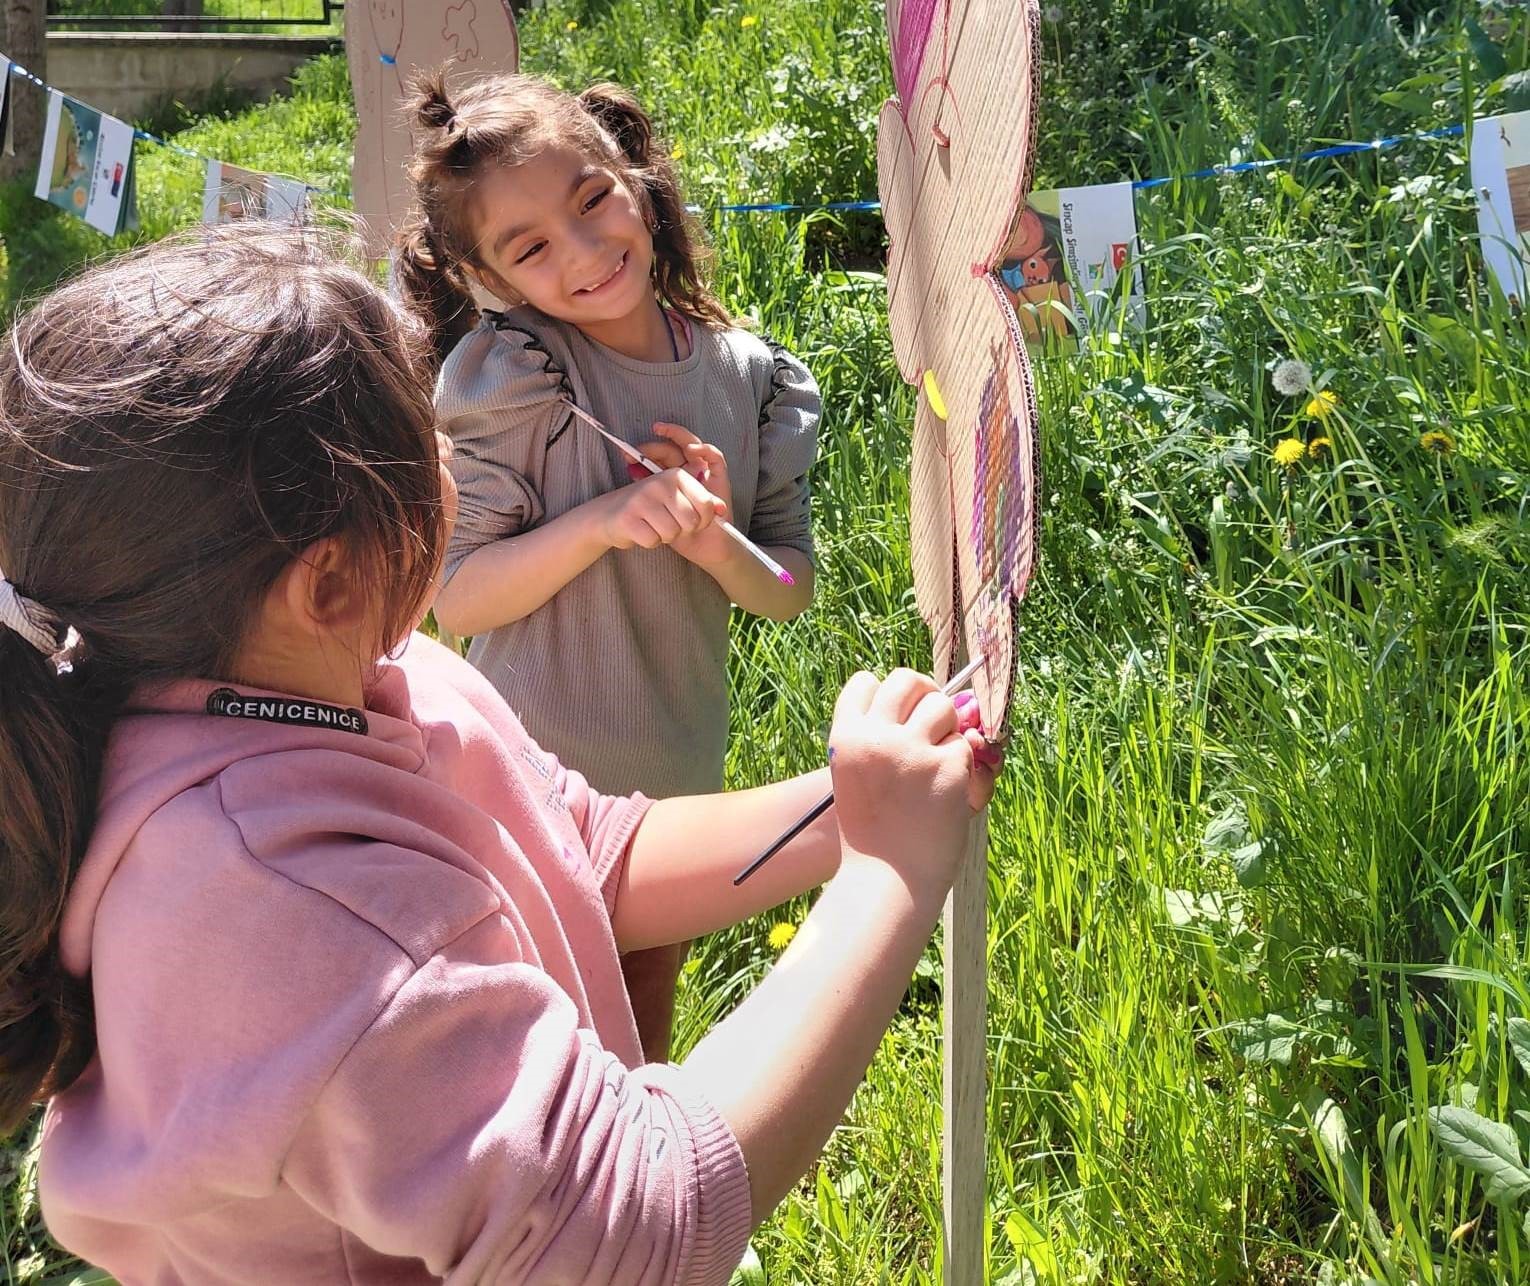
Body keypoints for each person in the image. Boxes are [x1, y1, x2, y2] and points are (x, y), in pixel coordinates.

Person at [1, 224, 998, 1284]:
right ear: (327, 580)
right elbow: (649, 1225)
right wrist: (888, 875)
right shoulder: (286, 910)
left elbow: (583, 851)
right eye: (424, 437)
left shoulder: (365, 669)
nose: (452, 455)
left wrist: (855, 806)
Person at [393, 71, 822, 1062]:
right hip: (523, 791)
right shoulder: (515, 377)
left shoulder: (753, 379)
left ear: (633, 174)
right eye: (531, 247)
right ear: (489, 276)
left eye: (592, 199)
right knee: (540, 1050)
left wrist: (714, 539)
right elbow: (459, 600)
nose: (584, 251)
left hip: (674, 788)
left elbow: (786, 592)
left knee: (640, 1029)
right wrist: (605, 520)